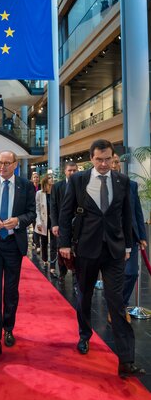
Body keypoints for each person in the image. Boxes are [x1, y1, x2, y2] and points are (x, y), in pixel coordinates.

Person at [58, 139, 145, 378]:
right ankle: (85, 335)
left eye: (107, 159)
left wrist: (128, 244)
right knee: (84, 295)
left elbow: (127, 215)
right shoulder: (78, 180)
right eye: (99, 159)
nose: (104, 163)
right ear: (91, 159)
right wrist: (64, 243)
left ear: (112, 157)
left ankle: (126, 359)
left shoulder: (122, 181)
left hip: (115, 251)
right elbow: (65, 213)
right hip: (85, 249)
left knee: (116, 302)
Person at [0, 151, 36, 362]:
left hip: (13, 244)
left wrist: (18, 221)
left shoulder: (26, 185)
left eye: (6, 163)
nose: (2, 167)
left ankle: (8, 328)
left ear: (15, 164)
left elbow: (32, 213)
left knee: (11, 291)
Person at [111, 154, 147, 309]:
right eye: (110, 162)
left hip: (130, 236)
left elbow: (137, 211)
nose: (113, 165)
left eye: (116, 162)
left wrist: (143, 236)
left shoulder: (131, 185)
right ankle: (115, 308)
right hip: (110, 237)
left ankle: (121, 304)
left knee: (131, 273)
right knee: (113, 275)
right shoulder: (100, 185)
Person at [51, 161, 78, 287]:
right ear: (65, 172)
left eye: (74, 170)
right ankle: (62, 273)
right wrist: (55, 224)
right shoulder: (57, 186)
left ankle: (75, 275)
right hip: (62, 224)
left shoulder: (81, 185)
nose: (72, 173)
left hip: (78, 225)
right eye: (70, 170)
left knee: (76, 251)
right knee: (61, 250)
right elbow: (54, 206)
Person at [34, 174, 58, 277]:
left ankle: (53, 266)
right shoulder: (39, 193)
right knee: (44, 242)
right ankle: (44, 260)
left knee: (53, 244)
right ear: (44, 184)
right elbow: (37, 209)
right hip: (43, 221)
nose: (51, 186)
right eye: (49, 184)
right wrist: (38, 222)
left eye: (52, 183)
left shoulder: (56, 193)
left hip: (54, 222)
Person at [31, 172, 41, 253]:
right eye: (34, 177)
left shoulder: (41, 187)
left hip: (40, 209)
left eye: (37, 177)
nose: (36, 178)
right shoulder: (30, 187)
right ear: (32, 179)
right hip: (32, 210)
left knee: (37, 226)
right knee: (35, 226)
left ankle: (35, 242)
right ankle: (36, 243)